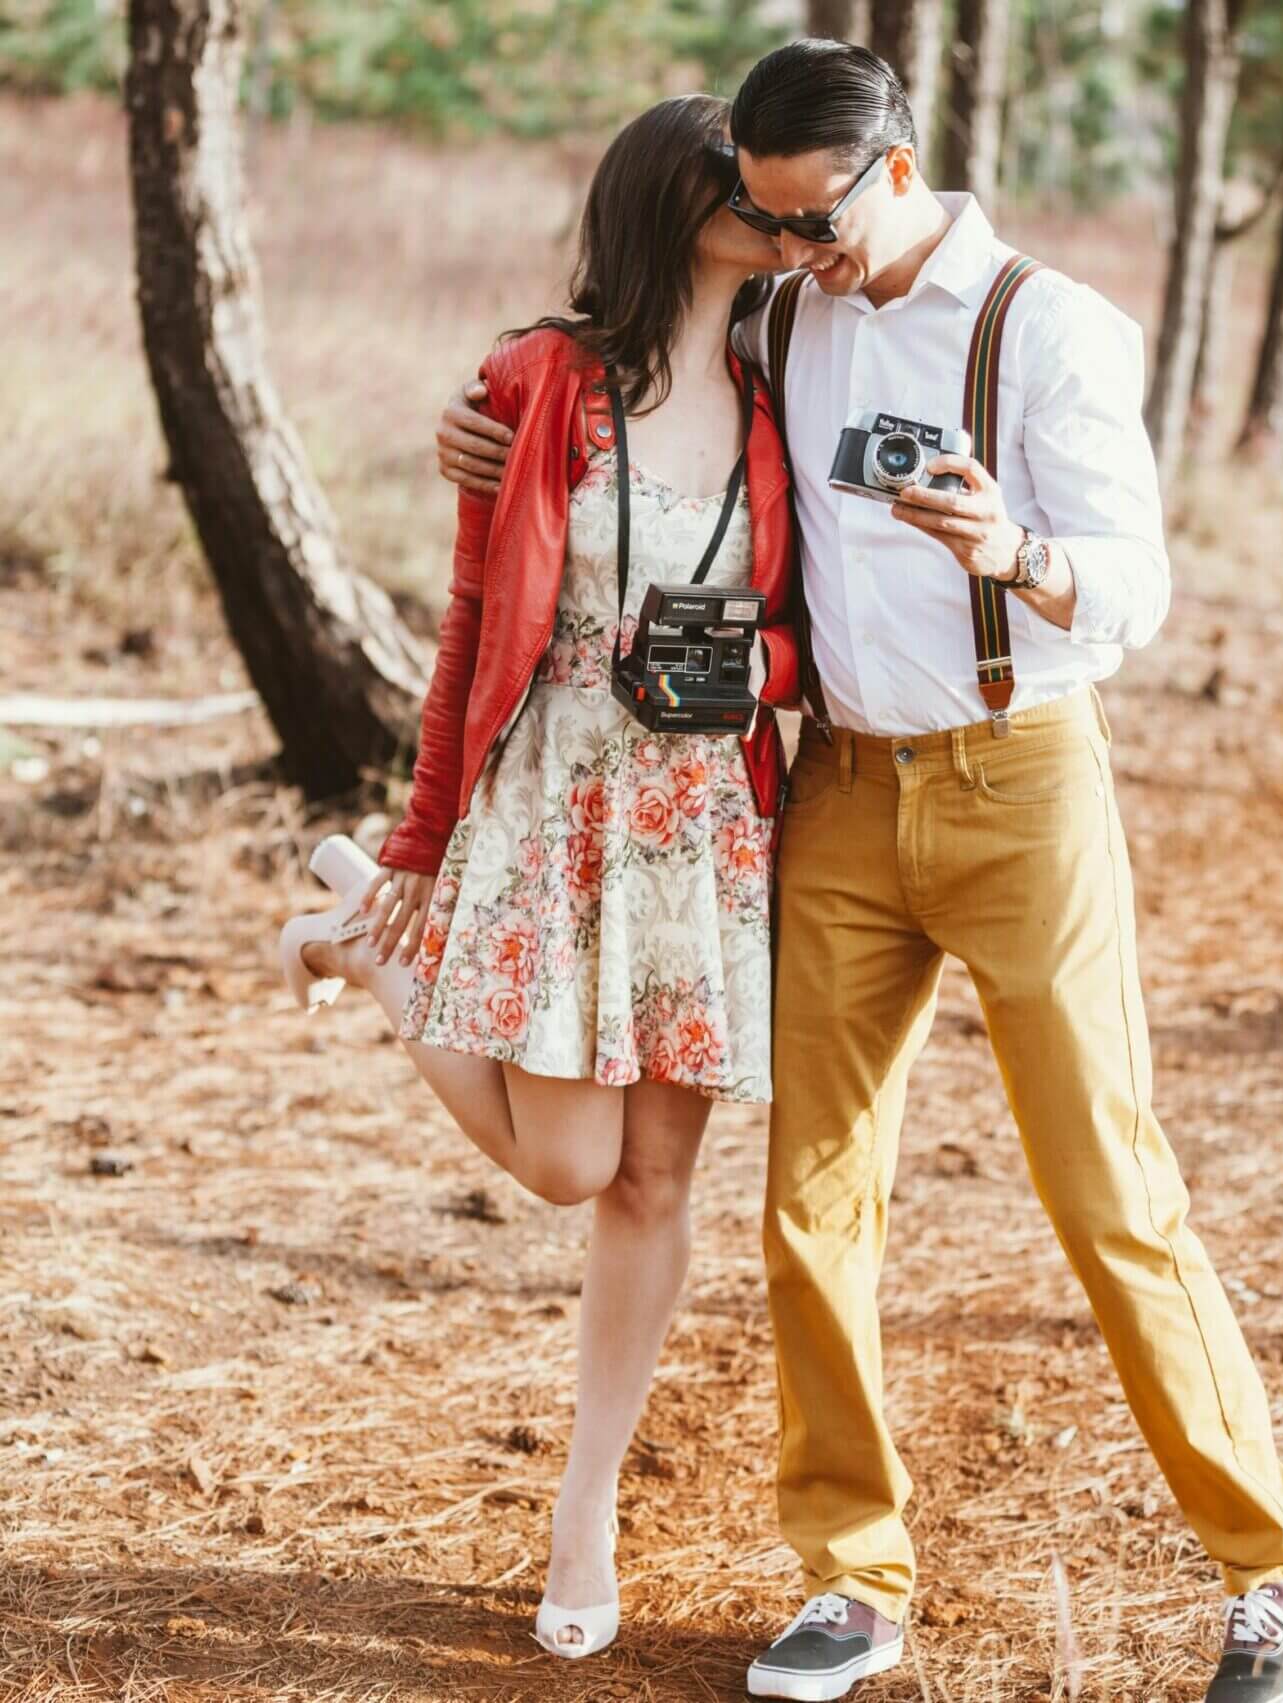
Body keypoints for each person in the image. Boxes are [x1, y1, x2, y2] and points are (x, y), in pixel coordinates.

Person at [435, 38, 1283, 1703]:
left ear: (895, 168)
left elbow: (1139, 588)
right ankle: (852, 1575)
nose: (797, 255)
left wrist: (1024, 554)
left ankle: (1274, 1566)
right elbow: (638, 376)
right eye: (772, 227)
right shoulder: (789, 313)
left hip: (1022, 785)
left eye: (815, 222)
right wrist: (484, 435)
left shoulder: (1051, 327)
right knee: (811, 1210)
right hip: (837, 794)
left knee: (1109, 1197)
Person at [278, 92, 798, 1663]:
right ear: (675, 197)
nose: (779, 208)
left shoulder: (791, 383)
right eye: (745, 185)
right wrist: (425, 841)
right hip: (557, 798)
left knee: (656, 1182)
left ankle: (588, 1508)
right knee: (571, 1166)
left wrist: (751, 669)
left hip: (704, 820)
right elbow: (466, 623)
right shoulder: (543, 378)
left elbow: (812, 620)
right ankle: (376, 947)